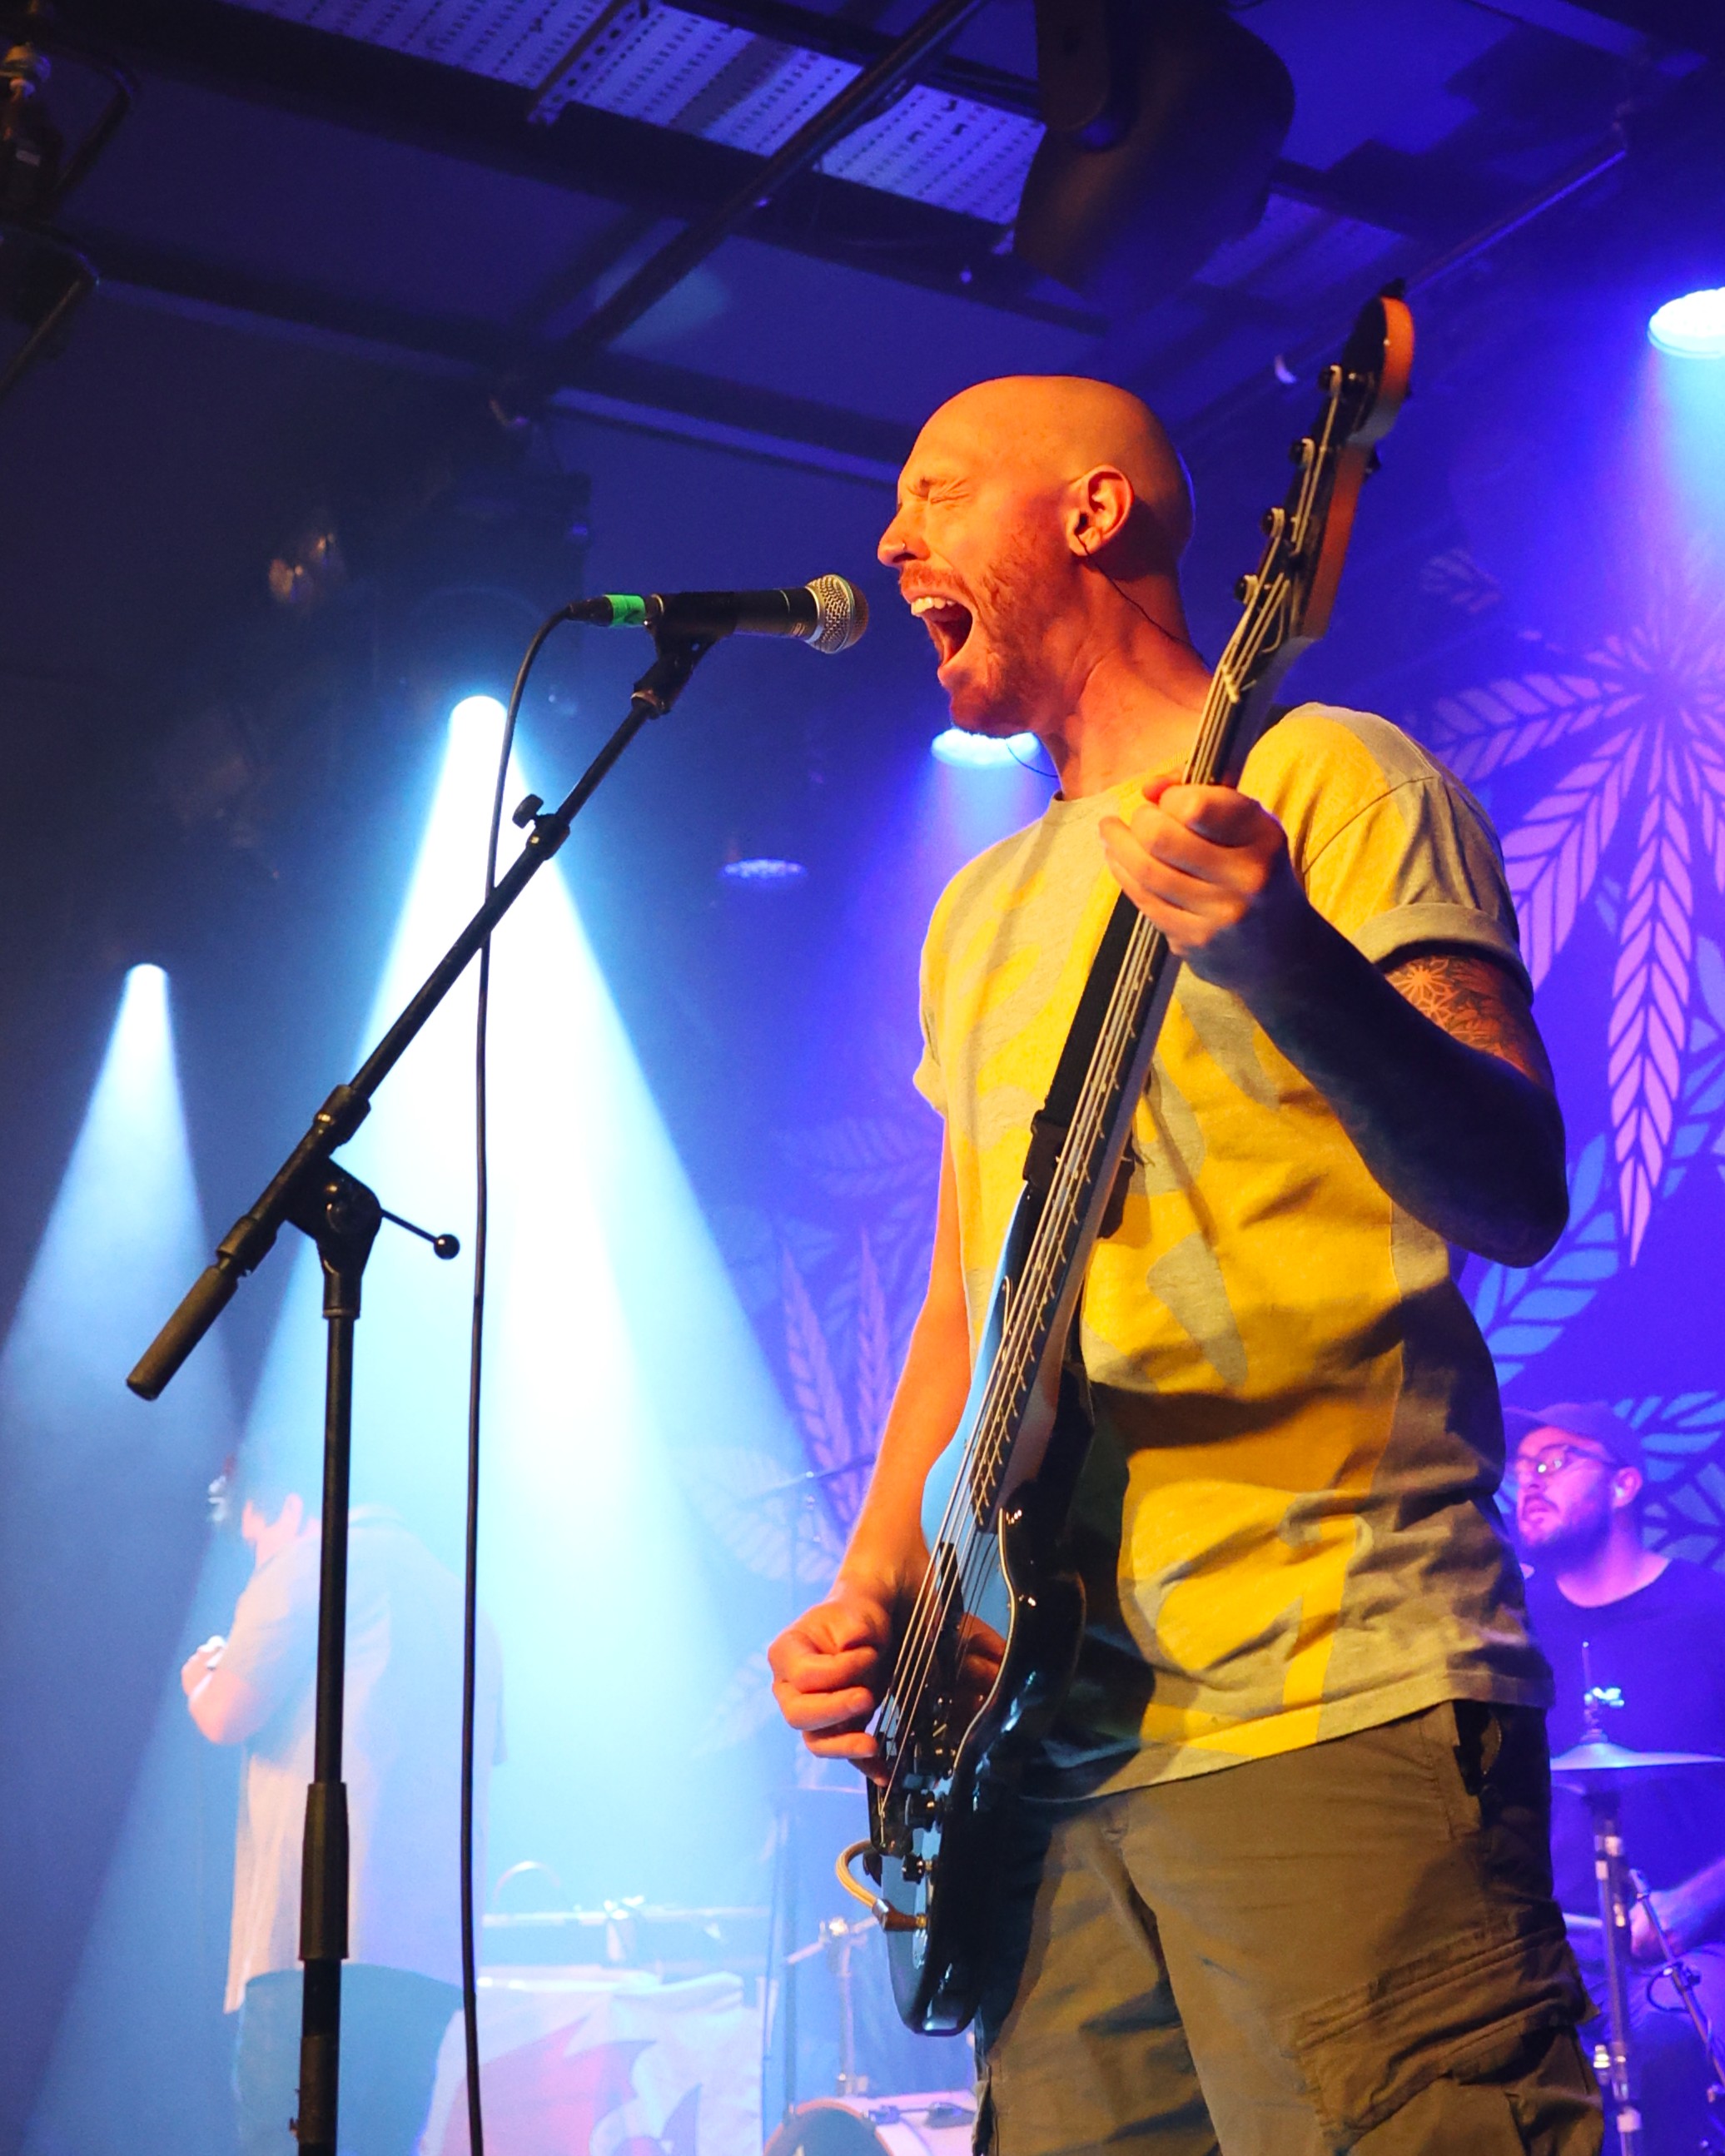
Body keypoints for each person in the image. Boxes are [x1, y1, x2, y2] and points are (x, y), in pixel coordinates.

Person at [768, 375, 1603, 2154]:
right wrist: (878, 1585)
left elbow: (1516, 1185)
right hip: (1043, 1770)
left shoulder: (1332, 778)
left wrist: (1282, 952)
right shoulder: (975, 910)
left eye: (934, 491)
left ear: (1090, 513)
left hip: (1331, 1689)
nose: (889, 540)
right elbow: (968, 1297)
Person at [182, 1467, 503, 2156]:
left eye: (255, 1539)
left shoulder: (312, 1564)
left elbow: (224, 1714)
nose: (257, 1558)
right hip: (427, 1951)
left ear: (289, 1508)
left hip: (318, 1939)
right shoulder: (461, 1599)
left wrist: (201, 1676)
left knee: (286, 2141)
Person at [1513, 1401, 1725, 2154]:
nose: (1531, 1482)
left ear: (1624, 1484)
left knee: (1668, 2047)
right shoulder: (1510, 1628)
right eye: (1521, 1468)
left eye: (1555, 1461)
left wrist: (1697, 1899)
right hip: (1552, 1952)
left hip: (1691, 1951)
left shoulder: (1709, 1613)